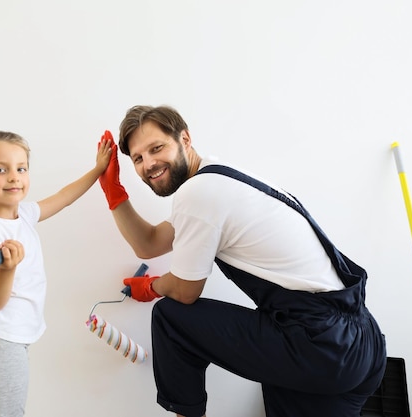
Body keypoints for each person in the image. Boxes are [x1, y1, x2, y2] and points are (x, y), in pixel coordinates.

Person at [97, 105, 387, 417]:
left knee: (171, 318)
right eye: (138, 159)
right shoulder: (217, 177)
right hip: (359, 342)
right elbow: (150, 242)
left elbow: (184, 291)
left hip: (319, 343)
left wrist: (153, 287)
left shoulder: (198, 193)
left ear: (184, 139)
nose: (149, 164)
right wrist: (114, 192)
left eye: (156, 148)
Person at [0, 130, 111, 417]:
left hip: (3, 341)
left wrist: (98, 170)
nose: (13, 177)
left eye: (21, 168)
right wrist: (8, 270)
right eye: (0, 169)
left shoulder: (25, 215)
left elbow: (64, 197)